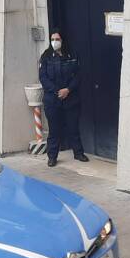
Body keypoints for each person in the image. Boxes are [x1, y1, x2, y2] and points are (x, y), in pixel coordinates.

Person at [38, 30, 88, 167]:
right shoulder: (46, 56)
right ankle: (52, 157)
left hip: (70, 98)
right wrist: (56, 91)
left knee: (73, 127)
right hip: (52, 100)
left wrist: (68, 90)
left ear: (63, 40)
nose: (55, 41)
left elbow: (78, 75)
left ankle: (78, 153)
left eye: (57, 38)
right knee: (54, 130)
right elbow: (43, 78)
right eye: (52, 39)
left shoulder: (71, 55)